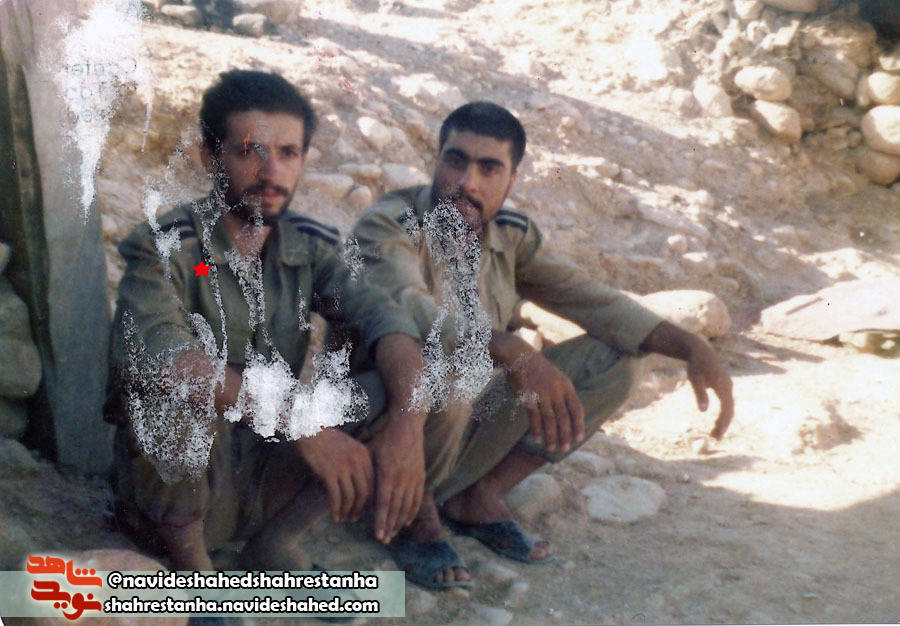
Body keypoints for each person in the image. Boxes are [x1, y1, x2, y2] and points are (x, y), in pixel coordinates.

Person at [342, 101, 735, 588]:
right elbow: (409, 313)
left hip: (456, 419)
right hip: (383, 424)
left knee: (618, 361)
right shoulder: (388, 224)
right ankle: (413, 517)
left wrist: (693, 346)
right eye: (455, 160)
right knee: (449, 370)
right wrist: (509, 347)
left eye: (489, 169)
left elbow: (592, 300)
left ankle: (477, 496)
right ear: (436, 160)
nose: (467, 182)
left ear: (511, 181)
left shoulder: (509, 236)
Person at [107, 69, 432, 573]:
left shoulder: (309, 246)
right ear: (210, 158)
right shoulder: (166, 247)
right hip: (174, 498)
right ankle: (194, 570)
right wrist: (300, 421)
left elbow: (387, 320)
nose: (271, 170)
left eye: (288, 153)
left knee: (390, 379)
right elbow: (168, 362)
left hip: (266, 470)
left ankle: (276, 541)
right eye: (249, 151)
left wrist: (408, 428)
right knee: (175, 397)